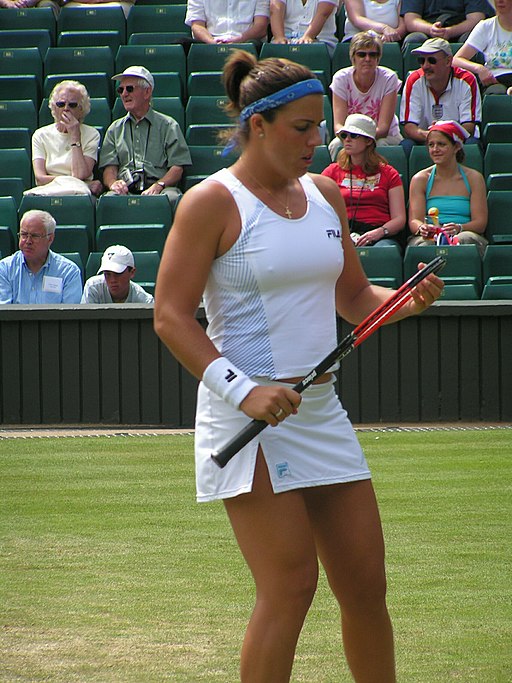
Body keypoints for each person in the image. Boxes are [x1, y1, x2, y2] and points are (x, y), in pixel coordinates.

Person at [153, 49, 444, 683]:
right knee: (290, 588)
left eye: (321, 126)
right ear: (257, 125)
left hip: (319, 411)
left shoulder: (325, 194)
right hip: (245, 420)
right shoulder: (210, 201)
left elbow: (353, 300)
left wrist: (404, 302)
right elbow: (170, 316)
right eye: (302, 127)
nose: (318, 141)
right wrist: (244, 390)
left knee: (367, 586)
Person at [99, 66, 191, 205]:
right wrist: (113, 184)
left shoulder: (168, 125)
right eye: (121, 90)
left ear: (147, 92)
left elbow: (177, 167)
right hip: (125, 188)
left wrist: (160, 185)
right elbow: (109, 168)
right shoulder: (114, 129)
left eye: (129, 89)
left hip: (159, 187)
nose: (124, 94)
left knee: (172, 198)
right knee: (109, 200)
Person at [322, 113, 406, 248]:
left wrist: (379, 232)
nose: (347, 139)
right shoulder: (331, 172)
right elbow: (321, 211)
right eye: (344, 136)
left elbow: (399, 219)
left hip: (379, 234)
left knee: (383, 250)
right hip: (343, 232)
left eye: (354, 135)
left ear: (368, 141)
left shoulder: (389, 173)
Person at [408, 120, 488, 255]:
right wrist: (423, 227)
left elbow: (480, 223)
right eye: (431, 145)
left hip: (464, 234)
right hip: (431, 236)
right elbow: (414, 220)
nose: (435, 150)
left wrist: (459, 228)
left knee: (464, 239)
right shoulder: (420, 179)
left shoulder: (474, 178)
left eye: (441, 144)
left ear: (456, 147)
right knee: (424, 243)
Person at [400, 37, 481, 156]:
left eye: (432, 60)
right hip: (426, 139)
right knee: (406, 145)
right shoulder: (414, 80)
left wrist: (442, 135)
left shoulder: (466, 80)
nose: (425, 66)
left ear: (448, 61)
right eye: (422, 60)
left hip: (456, 140)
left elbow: (468, 126)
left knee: (472, 144)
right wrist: (432, 136)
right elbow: (409, 127)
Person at [329, 31, 402, 160]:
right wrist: (354, 138)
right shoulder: (340, 78)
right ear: (353, 58)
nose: (367, 59)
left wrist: (361, 140)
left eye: (372, 55)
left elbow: (383, 128)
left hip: (384, 136)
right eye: (361, 54)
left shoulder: (389, 78)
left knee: (380, 144)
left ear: (378, 58)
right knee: (336, 144)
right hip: (351, 136)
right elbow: (338, 126)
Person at [25, 80, 102, 197]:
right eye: (61, 104)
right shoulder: (40, 135)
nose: (66, 109)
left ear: (81, 109)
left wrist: (75, 135)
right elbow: (40, 178)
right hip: (48, 192)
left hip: (79, 194)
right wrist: (81, 183)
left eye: (72, 105)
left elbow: (80, 174)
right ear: (54, 108)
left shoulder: (92, 134)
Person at [0, 210, 83, 304]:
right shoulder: (4, 269)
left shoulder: (68, 272)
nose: (28, 241)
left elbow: (70, 315)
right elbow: (4, 313)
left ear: (50, 238)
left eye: (34, 236)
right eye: (24, 235)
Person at [453, 0, 512, 94]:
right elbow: (456, 60)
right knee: (497, 93)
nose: (500, 1)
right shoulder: (485, 26)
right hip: (495, 81)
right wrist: (479, 68)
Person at [81, 245, 154, 304]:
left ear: (132, 272)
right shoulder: (93, 287)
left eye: (118, 274)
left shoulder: (145, 301)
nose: (112, 280)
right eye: (107, 274)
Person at [401, 0, 493, 46]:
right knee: (414, 40)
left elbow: (476, 19)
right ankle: (415, 81)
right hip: (427, 29)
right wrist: (431, 29)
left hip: (459, 29)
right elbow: (411, 20)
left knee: (471, 38)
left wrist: (450, 32)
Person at [269, 0, 341, 56]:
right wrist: (279, 37)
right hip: (286, 41)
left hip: (321, 42)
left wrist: (308, 36)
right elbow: (275, 10)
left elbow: (323, 13)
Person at [185, 0, 270, 44]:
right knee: (182, 43)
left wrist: (237, 40)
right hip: (210, 42)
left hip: (246, 42)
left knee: (254, 45)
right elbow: (197, 26)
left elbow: (260, 28)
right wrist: (212, 42)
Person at [342, 0, 406, 43]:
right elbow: (357, 19)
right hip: (357, 41)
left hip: (389, 43)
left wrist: (388, 37)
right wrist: (384, 28)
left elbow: (402, 26)